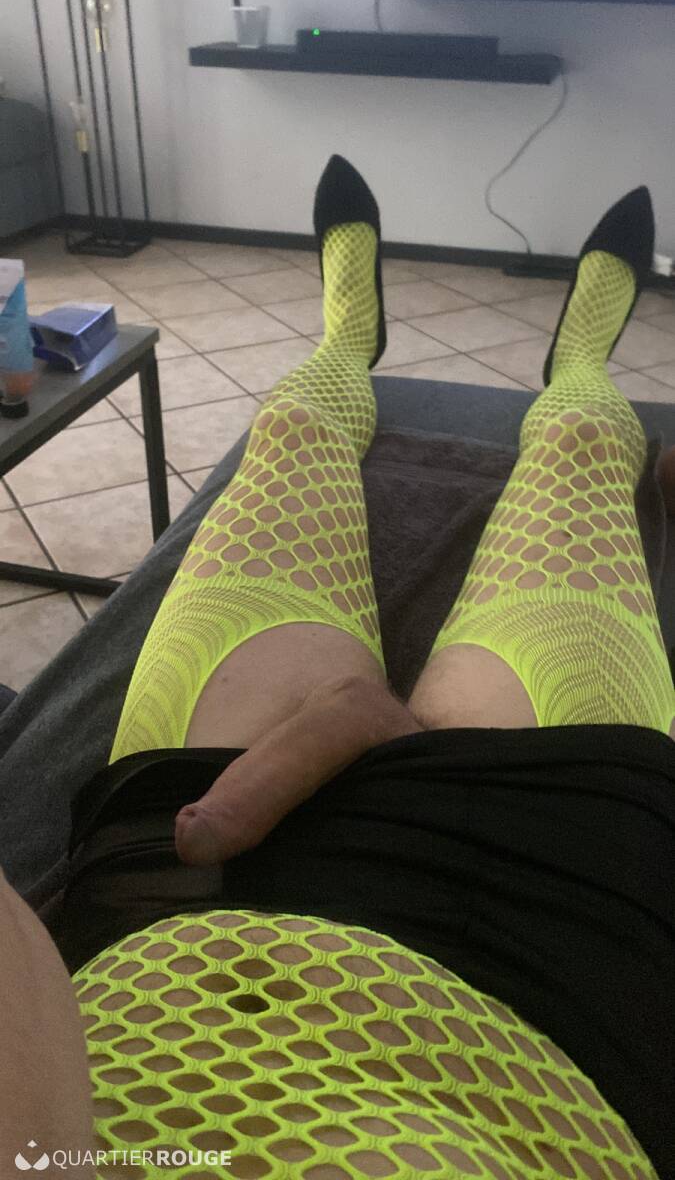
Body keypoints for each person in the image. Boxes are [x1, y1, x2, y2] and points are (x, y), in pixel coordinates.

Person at [1, 156, 673, 1180]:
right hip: (561, 931)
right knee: (583, 442)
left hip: (188, 889)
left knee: (293, 429)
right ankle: (580, 363)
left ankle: (347, 342)